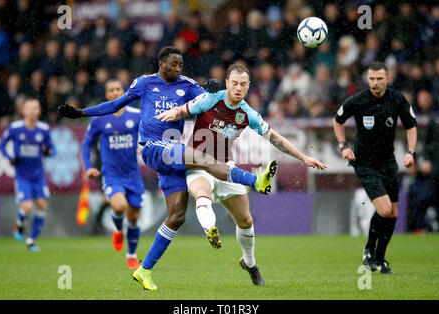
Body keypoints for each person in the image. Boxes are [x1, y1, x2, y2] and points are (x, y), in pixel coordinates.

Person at [57, 46, 277, 290]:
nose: (178, 68)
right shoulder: (144, 84)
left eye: (181, 64)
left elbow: (210, 99)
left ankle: (144, 270)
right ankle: (255, 181)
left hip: (172, 154)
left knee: (177, 216)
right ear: (161, 64)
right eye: (174, 64)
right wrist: (80, 113)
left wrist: (215, 87)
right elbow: (115, 105)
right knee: (205, 159)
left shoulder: (187, 84)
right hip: (154, 147)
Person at [156, 63, 327, 285]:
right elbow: (184, 109)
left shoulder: (247, 113)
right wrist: (174, 112)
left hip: (226, 167)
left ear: (248, 87)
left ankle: (249, 262)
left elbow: (275, 138)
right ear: (227, 83)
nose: (238, 88)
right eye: (234, 83)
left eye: (243, 84)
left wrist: (303, 158)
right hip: (197, 164)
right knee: (202, 194)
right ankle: (211, 229)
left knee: (245, 220)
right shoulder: (211, 99)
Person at [333, 61, 417, 274]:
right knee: (385, 209)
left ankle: (380, 259)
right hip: (365, 163)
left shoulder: (397, 99)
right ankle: (369, 249)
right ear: (367, 79)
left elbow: (411, 126)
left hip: (388, 162)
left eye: (379, 79)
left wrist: (411, 152)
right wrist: (343, 146)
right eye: (371, 79)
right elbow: (337, 120)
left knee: (393, 213)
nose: (375, 83)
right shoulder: (359, 101)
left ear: (387, 79)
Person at [81, 79, 144, 269]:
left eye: (119, 89)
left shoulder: (137, 115)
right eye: (112, 90)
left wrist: (144, 146)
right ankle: (117, 229)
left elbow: (148, 135)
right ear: (107, 95)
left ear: (124, 92)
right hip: (111, 174)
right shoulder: (99, 118)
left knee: (133, 218)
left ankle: (131, 254)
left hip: (133, 174)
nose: (116, 93)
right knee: (119, 206)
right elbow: (86, 144)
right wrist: (87, 166)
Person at [0, 97, 56, 251]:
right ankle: (20, 223)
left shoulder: (43, 129)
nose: (32, 111)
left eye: (35, 108)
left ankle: (31, 240)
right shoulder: (15, 128)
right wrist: (10, 158)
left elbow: (52, 148)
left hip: (38, 175)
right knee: (27, 206)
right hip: (22, 176)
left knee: (42, 205)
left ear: (39, 111)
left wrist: (48, 151)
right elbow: (1, 146)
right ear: (23, 111)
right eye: (29, 108)